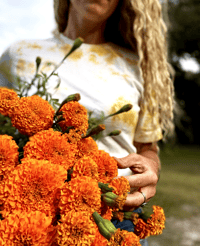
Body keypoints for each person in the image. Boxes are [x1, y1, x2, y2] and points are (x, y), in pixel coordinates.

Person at [0, 0, 174, 245]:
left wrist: (150, 168)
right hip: (27, 219)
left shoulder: (137, 66)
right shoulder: (18, 55)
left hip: (115, 218)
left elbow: (147, 147)